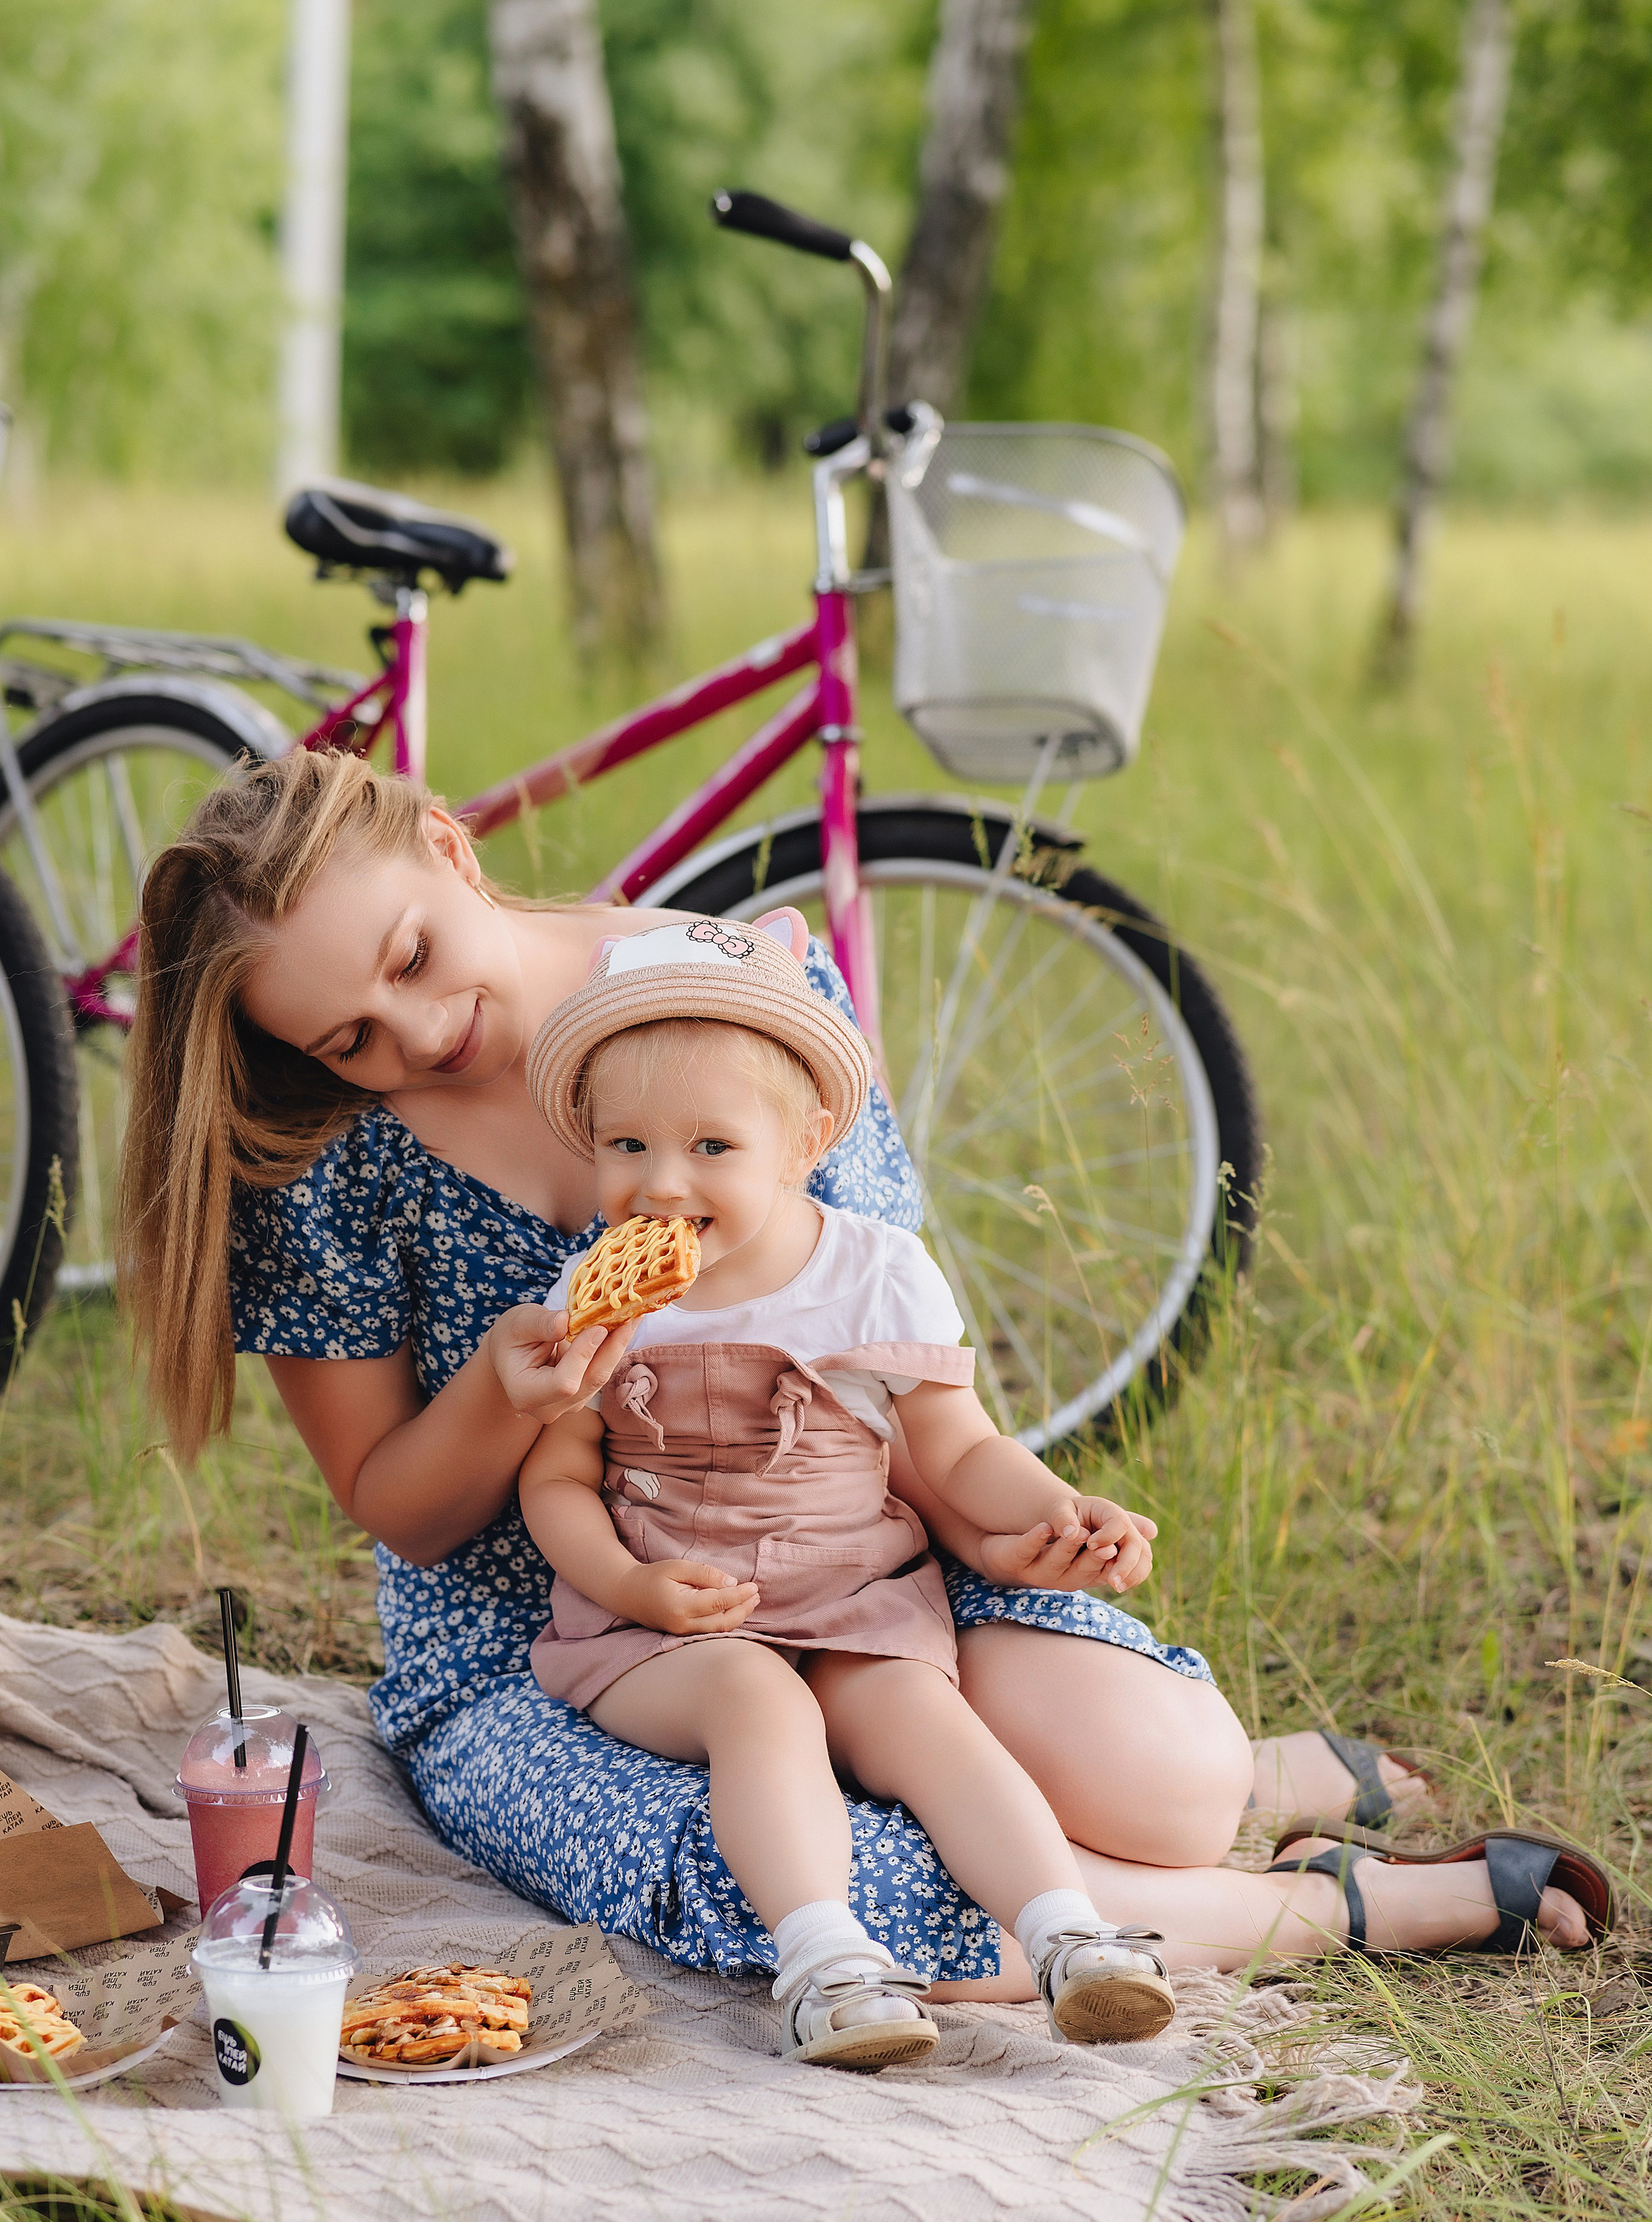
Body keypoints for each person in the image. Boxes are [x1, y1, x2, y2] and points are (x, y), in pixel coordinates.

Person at [119, 749, 1609, 2001]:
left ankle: (1254, 1778)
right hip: (562, 1643)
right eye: (352, 1037)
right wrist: (506, 1392)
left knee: (1166, 1778)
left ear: (449, 846)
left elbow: (888, 1363)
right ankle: (1344, 1911)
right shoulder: (323, 1160)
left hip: (853, 1550)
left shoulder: (751, 993)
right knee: (847, 1888)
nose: (422, 1032)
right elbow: (403, 1510)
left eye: (415, 960)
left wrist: (1002, 1520)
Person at [509, 909, 1177, 2067]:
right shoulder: (599, 1293)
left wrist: (1055, 1505)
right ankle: (827, 1965)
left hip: (854, 1599)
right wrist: (632, 1580)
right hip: (664, 1627)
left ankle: (1072, 1935)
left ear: (806, 1138)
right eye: (627, 1147)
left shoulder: (874, 1272)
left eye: (711, 1148)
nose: (662, 1183)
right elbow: (558, 1477)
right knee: (762, 1707)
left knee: (925, 1719)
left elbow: (961, 1448)